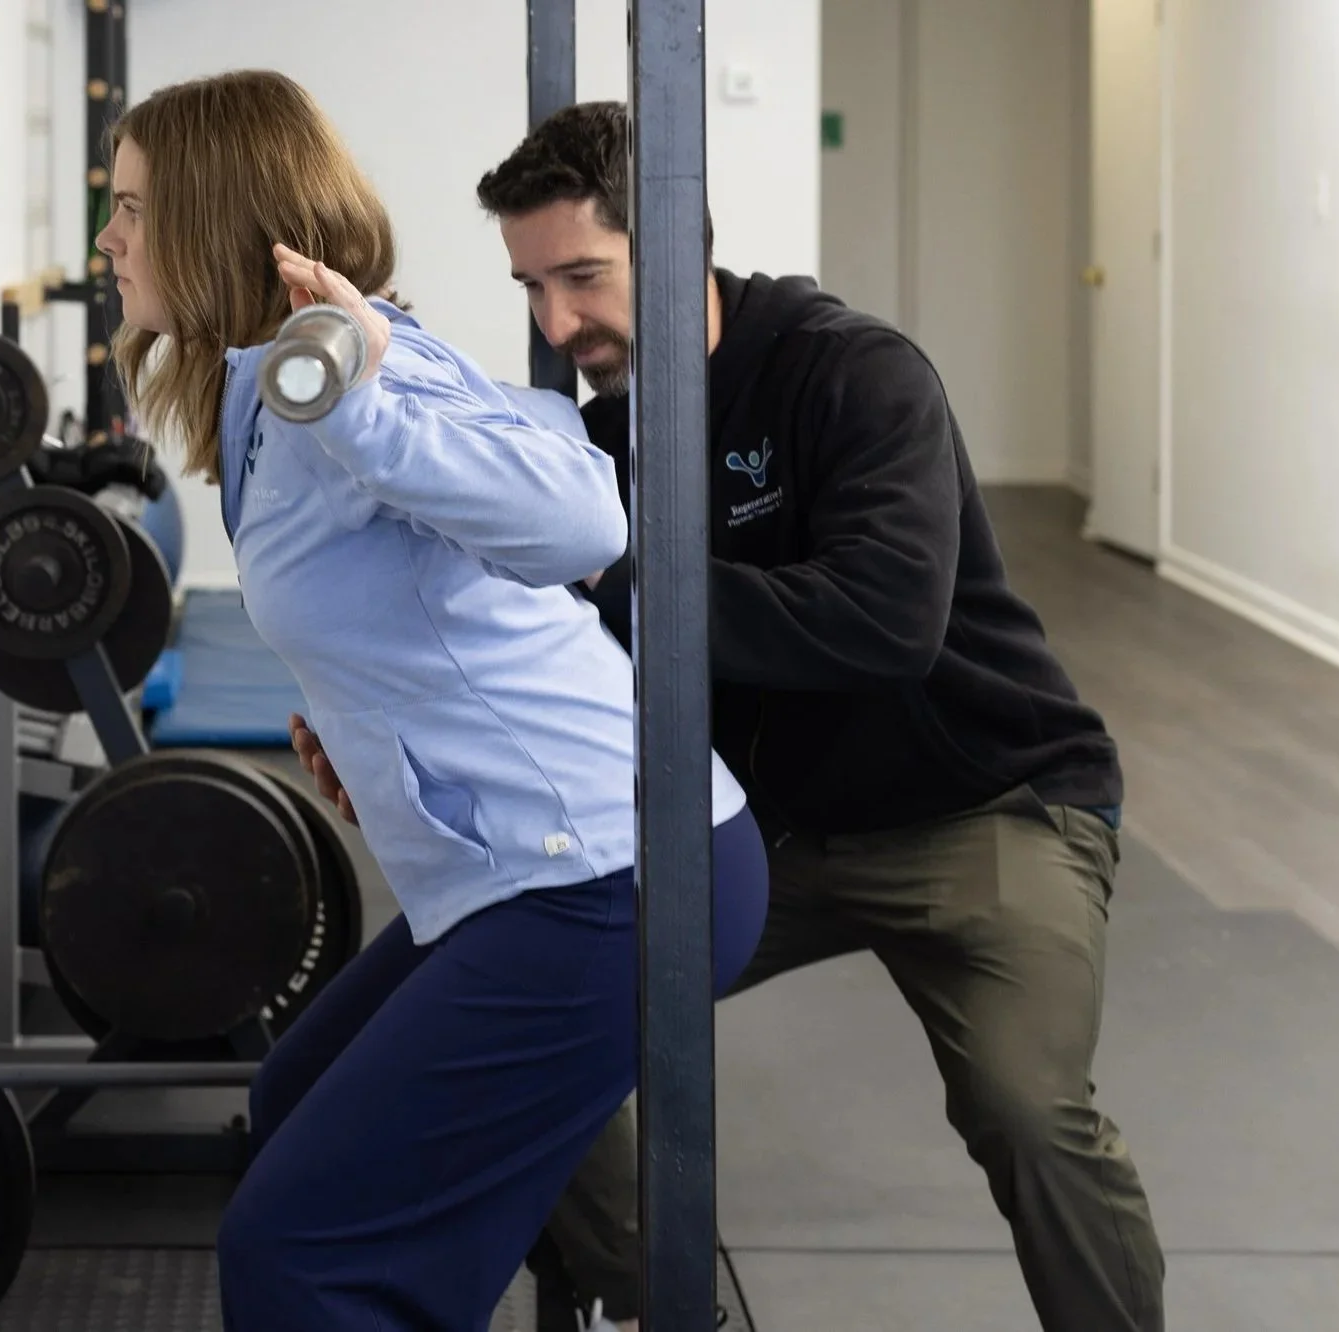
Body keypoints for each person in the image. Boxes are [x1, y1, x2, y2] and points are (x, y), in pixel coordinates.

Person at [292, 100, 1167, 1332]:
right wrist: (371, 728)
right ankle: (661, 1310)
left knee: (1026, 1113)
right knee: (541, 1053)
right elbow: (519, 652)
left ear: (672, 242)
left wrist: (619, 573)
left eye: (582, 277)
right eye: (531, 285)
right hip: (763, 834)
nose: (555, 323)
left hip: (985, 812)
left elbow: (882, 623)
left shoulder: (851, 372)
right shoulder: (593, 439)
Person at [91, 71, 770, 1331]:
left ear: (213, 210)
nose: (108, 237)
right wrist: (365, 726)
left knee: (298, 1253)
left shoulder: (349, 363)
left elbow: (581, 515)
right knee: (296, 1104)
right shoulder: (266, 373)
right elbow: (400, 587)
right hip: (539, 867)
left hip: (612, 877)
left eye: (132, 206)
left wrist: (363, 398)